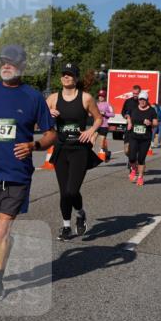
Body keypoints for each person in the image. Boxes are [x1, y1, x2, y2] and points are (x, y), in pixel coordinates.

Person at [0, 44, 56, 301]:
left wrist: (34, 145)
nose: (6, 66)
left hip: (17, 175)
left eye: (12, 62)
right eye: (3, 62)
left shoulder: (33, 97)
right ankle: (1, 248)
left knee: (1, 231)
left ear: (22, 67)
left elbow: (51, 133)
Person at [47, 64, 103, 241]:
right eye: (64, 74)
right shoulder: (53, 98)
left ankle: (80, 213)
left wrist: (90, 131)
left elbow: (99, 119)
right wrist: (48, 114)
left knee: (72, 191)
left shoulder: (85, 98)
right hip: (61, 149)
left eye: (70, 74)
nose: (66, 76)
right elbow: (38, 122)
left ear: (76, 78)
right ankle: (65, 226)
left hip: (79, 149)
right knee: (64, 192)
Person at [127, 94, 159, 186]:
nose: (142, 101)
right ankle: (133, 169)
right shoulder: (134, 108)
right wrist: (129, 122)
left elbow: (156, 123)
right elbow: (128, 115)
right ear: (138, 100)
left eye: (144, 99)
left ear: (147, 100)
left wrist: (150, 123)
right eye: (141, 99)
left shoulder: (151, 110)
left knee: (141, 159)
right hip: (134, 136)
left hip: (145, 138)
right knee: (132, 157)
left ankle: (140, 177)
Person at [122, 84, 143, 172]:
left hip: (139, 128)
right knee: (127, 150)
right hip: (129, 127)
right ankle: (131, 159)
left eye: (137, 93)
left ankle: (133, 164)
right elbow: (123, 112)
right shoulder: (128, 101)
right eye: (134, 93)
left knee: (136, 148)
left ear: (139, 93)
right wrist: (126, 116)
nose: (135, 95)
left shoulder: (142, 102)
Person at [95, 89, 114, 161]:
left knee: (101, 143)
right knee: (92, 140)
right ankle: (105, 153)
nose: (100, 97)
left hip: (104, 126)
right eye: (99, 96)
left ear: (105, 97)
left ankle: (106, 153)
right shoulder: (96, 104)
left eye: (102, 96)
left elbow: (113, 114)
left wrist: (105, 113)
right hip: (96, 125)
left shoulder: (107, 105)